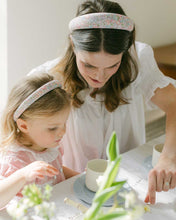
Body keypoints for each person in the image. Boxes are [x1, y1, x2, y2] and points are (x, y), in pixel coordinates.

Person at [28, 0, 176, 204]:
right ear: (73, 44)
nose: (100, 76)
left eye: (112, 65)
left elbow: (174, 103)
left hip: (128, 175)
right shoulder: (48, 78)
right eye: (89, 65)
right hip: (73, 178)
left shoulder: (138, 59)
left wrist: (168, 157)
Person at [0, 73, 79, 209]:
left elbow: (57, 170)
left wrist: (81, 178)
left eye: (64, 123)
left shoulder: (49, 145)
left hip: (58, 206)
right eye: (53, 128)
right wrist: (24, 174)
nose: (62, 132)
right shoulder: (14, 159)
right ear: (24, 126)